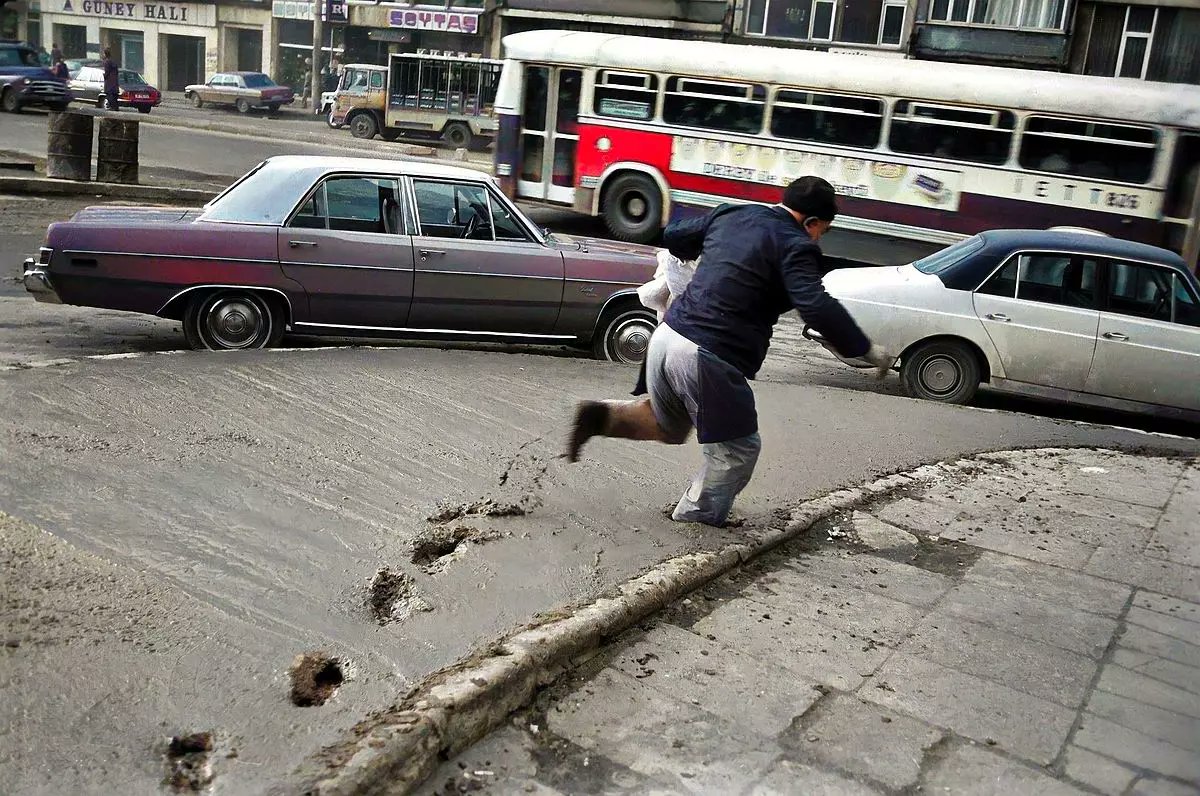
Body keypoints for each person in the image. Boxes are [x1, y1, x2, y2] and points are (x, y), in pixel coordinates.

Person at [567, 176, 890, 527]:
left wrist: (714, 259)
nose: (818, 239)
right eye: (821, 232)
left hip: (667, 336)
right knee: (738, 451)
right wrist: (866, 350)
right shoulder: (798, 245)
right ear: (810, 222)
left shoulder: (732, 214)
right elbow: (815, 303)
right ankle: (696, 525)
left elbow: (675, 235)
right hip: (707, 353)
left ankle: (601, 416)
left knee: (668, 427)